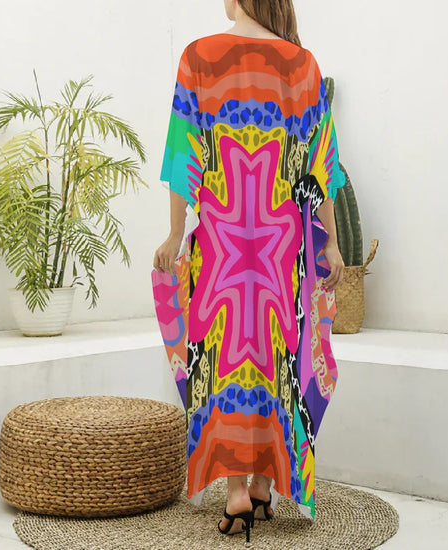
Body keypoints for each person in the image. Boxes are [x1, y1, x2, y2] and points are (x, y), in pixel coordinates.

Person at [152, 0, 345, 542]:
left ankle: (237, 492)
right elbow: (322, 165)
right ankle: (264, 486)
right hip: (284, 248)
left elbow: (184, 154)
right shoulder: (303, 66)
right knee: (279, 358)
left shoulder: (199, 57)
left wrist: (175, 233)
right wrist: (331, 243)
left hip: (221, 247)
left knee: (224, 360)